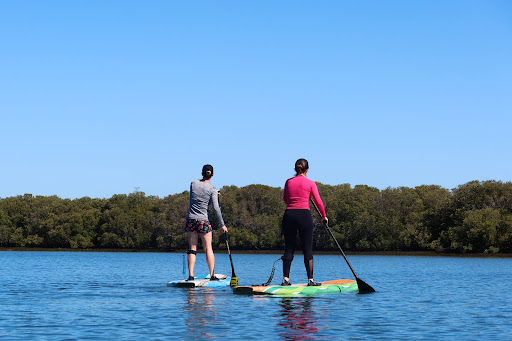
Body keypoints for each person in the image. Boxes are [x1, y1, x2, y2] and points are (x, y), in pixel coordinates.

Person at [281, 158, 328, 286]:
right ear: (307, 170)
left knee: (289, 248)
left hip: (289, 215)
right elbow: (318, 201)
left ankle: (285, 280)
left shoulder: (288, 182)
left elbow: (286, 199)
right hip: (304, 215)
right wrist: (324, 216)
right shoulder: (310, 183)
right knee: (307, 249)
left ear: (296, 169)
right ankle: (310, 280)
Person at [185, 164, 228, 281]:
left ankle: (190, 275)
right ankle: (212, 275)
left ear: (201, 173)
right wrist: (222, 224)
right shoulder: (212, 189)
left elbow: (198, 197)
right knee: (208, 248)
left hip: (191, 219)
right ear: (212, 174)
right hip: (203, 220)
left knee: (192, 248)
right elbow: (215, 208)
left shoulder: (193, 183)